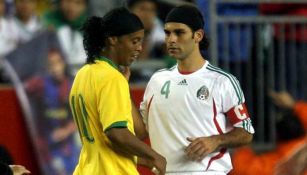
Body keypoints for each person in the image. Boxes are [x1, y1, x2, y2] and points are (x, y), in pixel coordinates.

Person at [139, 5, 254, 174]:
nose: (171, 39)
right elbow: (141, 130)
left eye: (179, 32)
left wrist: (215, 141)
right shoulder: (157, 80)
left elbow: (246, 132)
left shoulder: (222, 81)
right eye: (167, 33)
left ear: (198, 35)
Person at [69, 7, 166, 175]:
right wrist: (155, 155)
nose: (139, 48)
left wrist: (124, 89)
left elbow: (137, 133)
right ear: (113, 39)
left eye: (141, 41)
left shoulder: (84, 73)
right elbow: (116, 133)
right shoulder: (111, 78)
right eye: (134, 41)